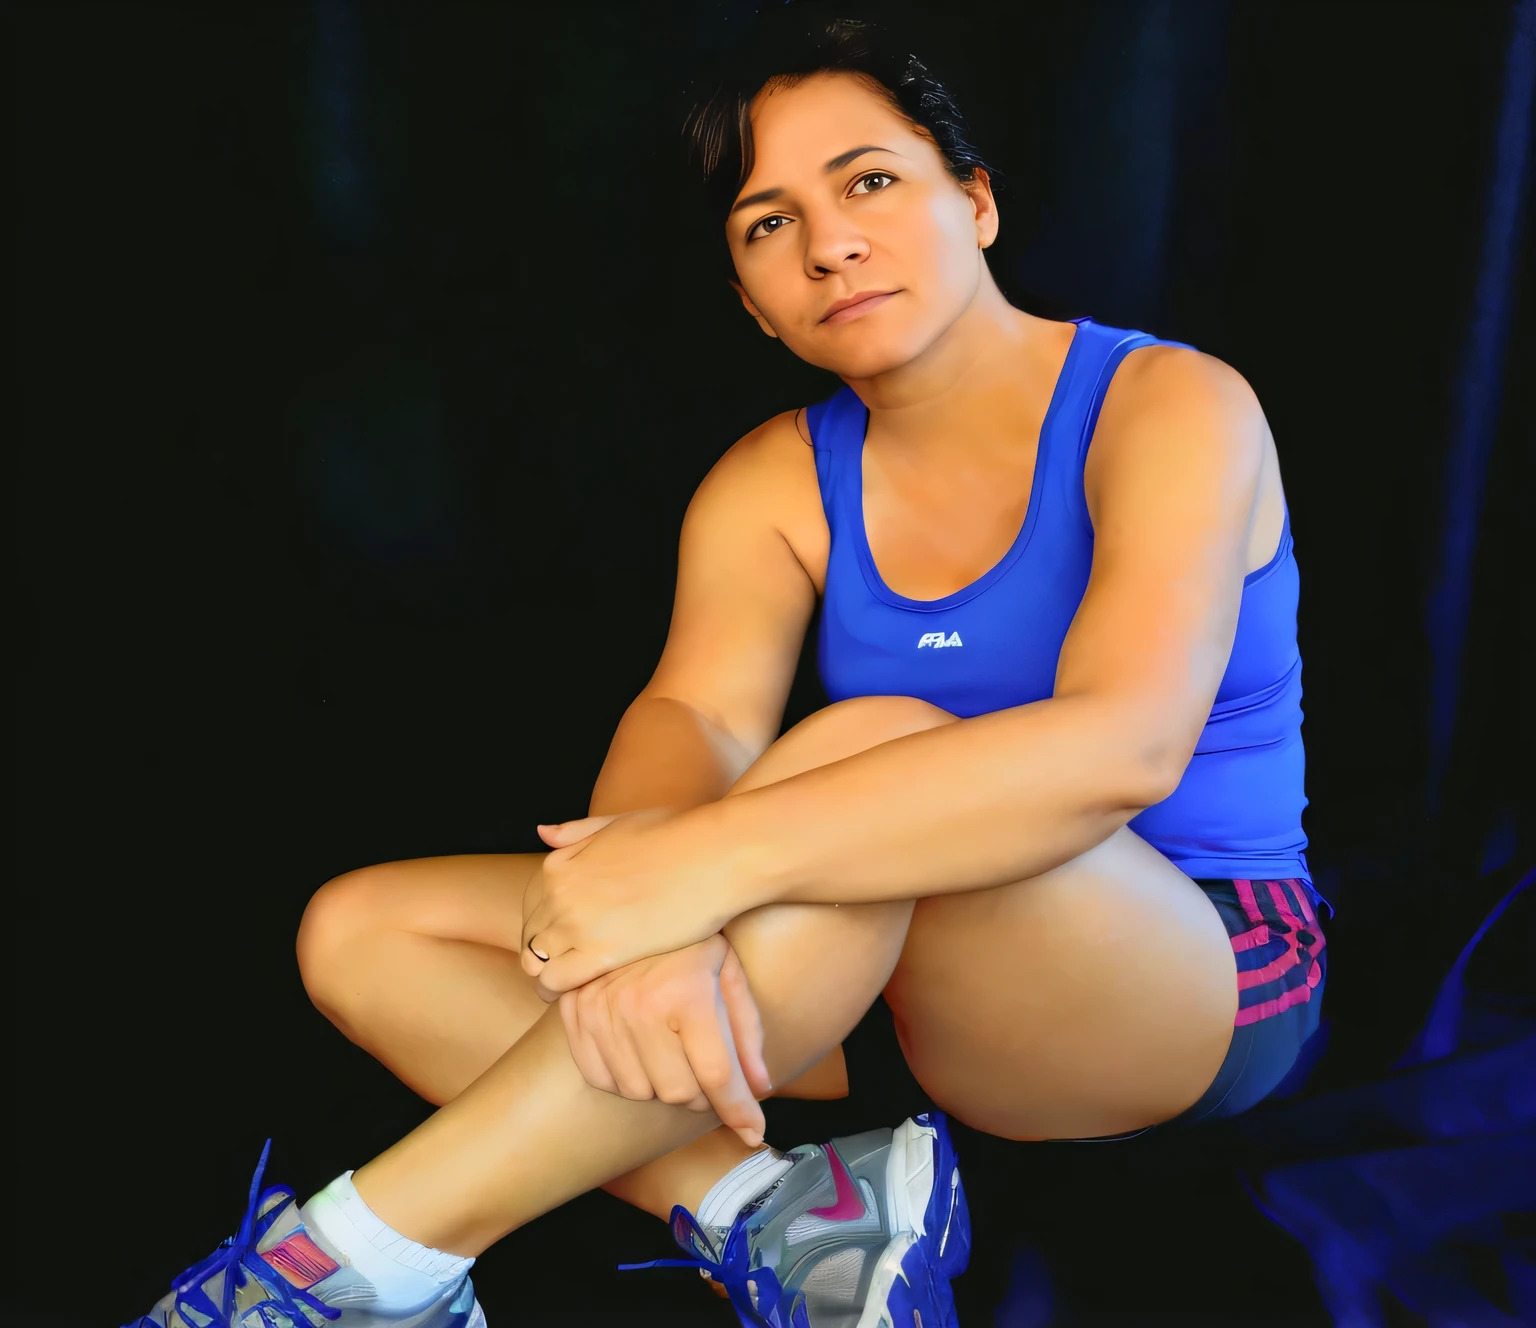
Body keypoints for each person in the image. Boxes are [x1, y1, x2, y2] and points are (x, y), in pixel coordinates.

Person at [125, 13, 1330, 1328]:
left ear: (974, 200)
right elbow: (693, 714)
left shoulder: (1167, 406)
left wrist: (691, 878)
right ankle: (781, 1213)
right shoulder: (772, 481)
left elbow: (1123, 748)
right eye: (768, 223)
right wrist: (647, 920)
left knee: (872, 741)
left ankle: (350, 1265)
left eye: (869, 180)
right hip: (874, 976)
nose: (829, 243)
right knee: (361, 929)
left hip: (1184, 976)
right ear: (751, 301)